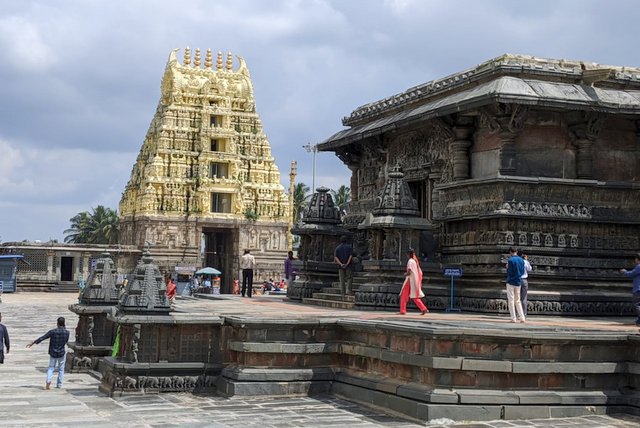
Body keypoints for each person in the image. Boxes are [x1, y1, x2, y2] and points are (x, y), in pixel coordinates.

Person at [26, 317, 70, 389]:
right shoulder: (67, 332)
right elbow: (65, 341)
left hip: (53, 352)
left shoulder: (53, 331)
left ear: (57, 323)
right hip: (62, 352)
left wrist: (33, 343)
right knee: (61, 369)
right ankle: (59, 384)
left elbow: (43, 337)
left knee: (51, 367)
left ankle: (48, 381)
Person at [399, 249, 429, 315]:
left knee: (404, 296)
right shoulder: (415, 261)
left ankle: (403, 310)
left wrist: (405, 274)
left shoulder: (410, 261)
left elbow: (409, 271)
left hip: (409, 280)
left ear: (408, 254)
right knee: (415, 296)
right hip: (414, 281)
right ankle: (424, 309)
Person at [506, 247, 526, 323]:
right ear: (516, 252)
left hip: (511, 281)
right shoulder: (521, 260)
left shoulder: (510, 260)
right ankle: (522, 317)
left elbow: (509, 272)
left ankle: (513, 318)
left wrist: (507, 268)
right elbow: (522, 271)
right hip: (518, 281)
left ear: (510, 252)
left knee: (511, 300)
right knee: (518, 300)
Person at [621, 253, 640, 326]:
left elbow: (631, 274)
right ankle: (639, 321)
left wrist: (624, 271)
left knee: (637, 305)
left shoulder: (638, 267)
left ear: (637, 259)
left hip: (638, 289)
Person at [517, 250, 533, 317]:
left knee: (517, 298)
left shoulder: (517, 261)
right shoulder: (526, 262)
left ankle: (517, 314)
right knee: (524, 298)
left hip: (517, 280)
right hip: (524, 280)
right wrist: (526, 260)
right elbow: (529, 269)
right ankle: (523, 314)